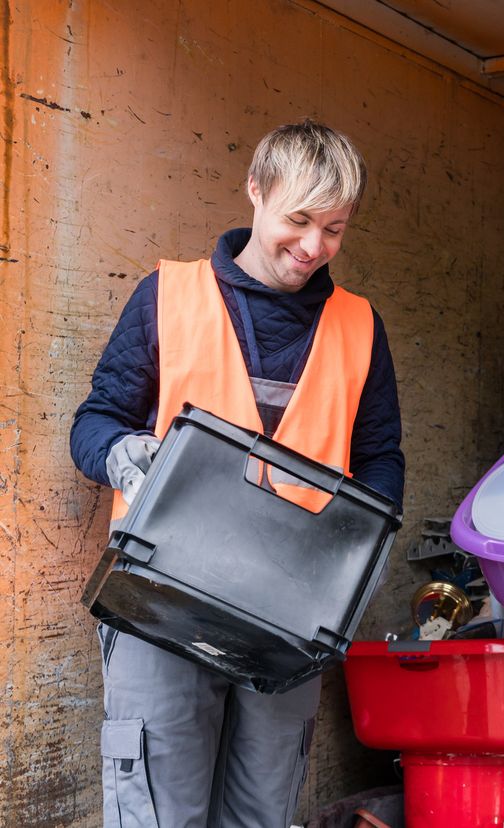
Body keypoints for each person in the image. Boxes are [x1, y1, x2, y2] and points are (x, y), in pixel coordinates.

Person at [70, 119, 404, 827]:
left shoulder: (361, 327)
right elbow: (96, 421)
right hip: (161, 600)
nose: (314, 247)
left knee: (262, 813)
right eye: (299, 219)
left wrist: (363, 559)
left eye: (336, 228)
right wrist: (121, 452)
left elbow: (380, 461)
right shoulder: (167, 296)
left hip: (289, 618)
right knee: (160, 814)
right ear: (255, 190)